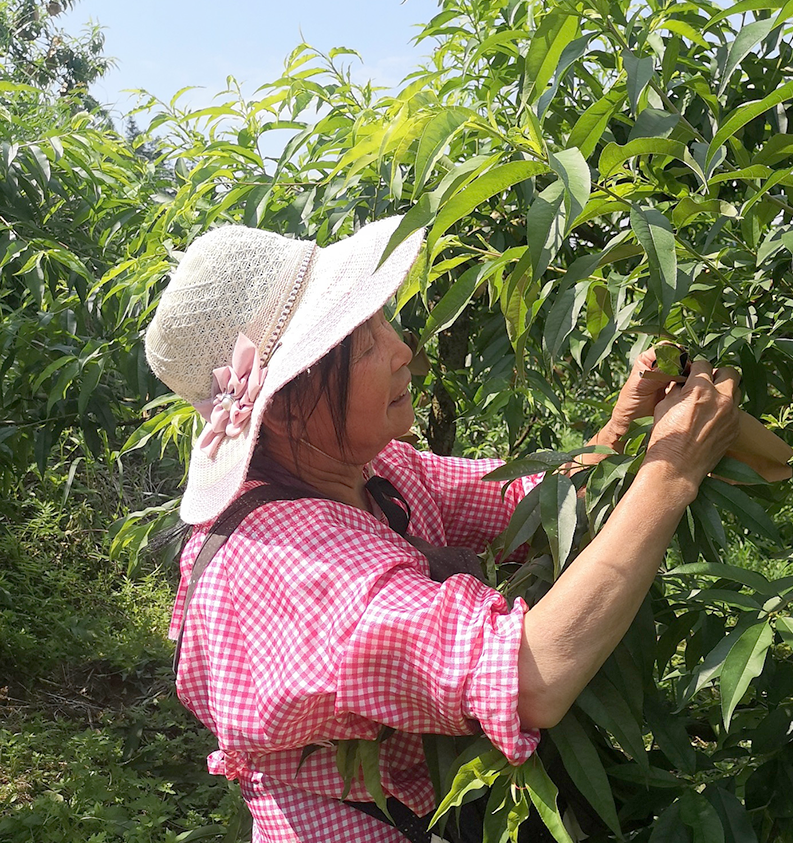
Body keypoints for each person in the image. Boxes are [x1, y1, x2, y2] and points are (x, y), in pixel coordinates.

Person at [144, 217, 740, 843]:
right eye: (364, 339)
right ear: (289, 399)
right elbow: (530, 677)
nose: (402, 347)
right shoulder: (282, 561)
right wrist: (672, 474)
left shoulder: (372, 468)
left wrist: (620, 430)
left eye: (382, 320)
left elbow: (528, 505)